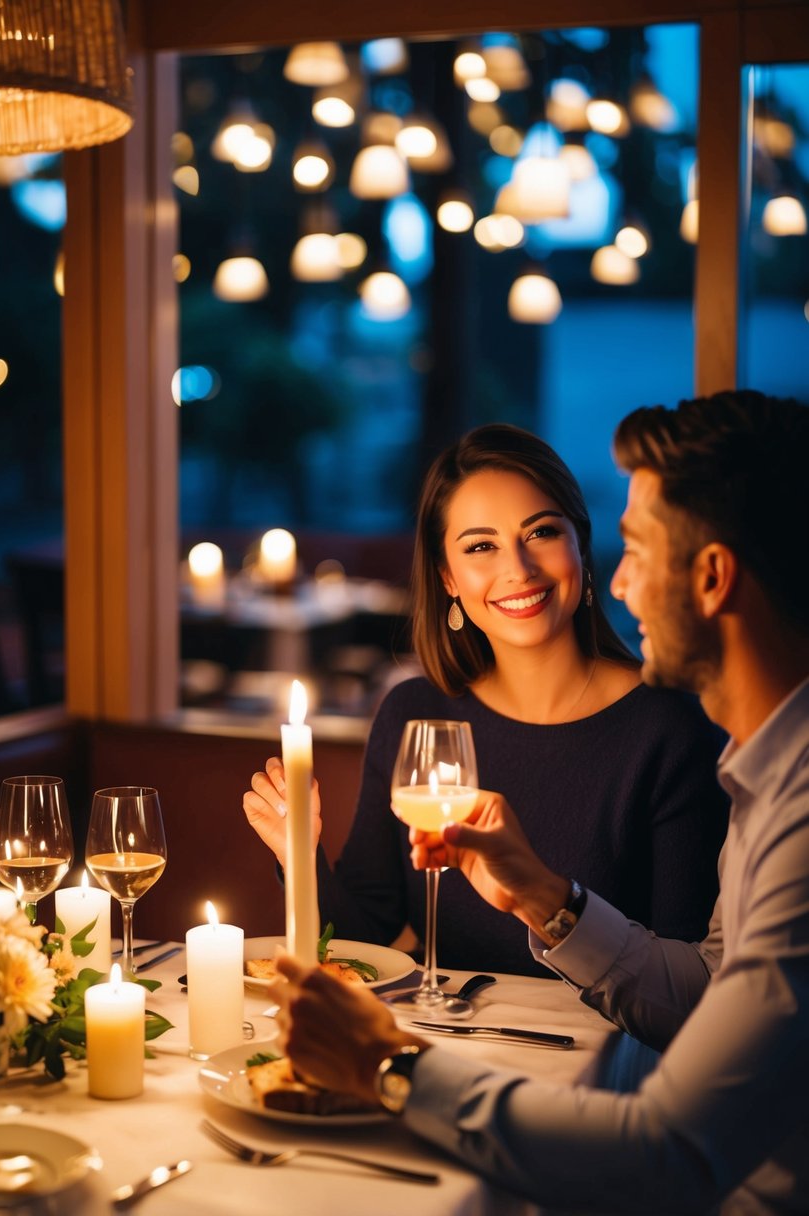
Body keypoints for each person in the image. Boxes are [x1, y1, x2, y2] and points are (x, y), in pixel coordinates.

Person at [270, 389, 809, 1214]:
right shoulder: (761, 772)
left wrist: (392, 1068)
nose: (621, 583)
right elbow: (707, 997)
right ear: (446, 577)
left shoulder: (758, 787)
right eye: (481, 547)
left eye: (630, 548)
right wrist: (547, 899)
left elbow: (667, 1145)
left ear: (709, 577)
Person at [244, 424, 728, 974]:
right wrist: (299, 858)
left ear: (580, 544)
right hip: (447, 1048)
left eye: (542, 532)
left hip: (607, 1054)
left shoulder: (669, 728)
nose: (518, 570)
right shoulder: (414, 715)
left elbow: (685, 979)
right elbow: (363, 943)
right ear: (448, 576)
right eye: (481, 546)